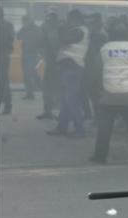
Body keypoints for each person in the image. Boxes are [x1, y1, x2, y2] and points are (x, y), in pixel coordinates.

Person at [89, 20, 128, 166]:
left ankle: (100, 156)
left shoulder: (104, 49)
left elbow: (96, 71)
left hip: (109, 95)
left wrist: (97, 90)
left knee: (105, 127)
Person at [47, 10, 89, 138]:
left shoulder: (79, 30)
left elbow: (65, 40)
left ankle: (80, 130)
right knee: (66, 101)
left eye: (69, 19)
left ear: (76, 19)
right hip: (69, 67)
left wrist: (60, 28)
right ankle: (62, 127)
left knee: (72, 100)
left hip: (73, 67)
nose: (67, 21)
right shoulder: (77, 29)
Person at [37, 8, 61, 120]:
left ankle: (56, 111)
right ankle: (47, 110)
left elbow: (54, 46)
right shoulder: (46, 31)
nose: (48, 21)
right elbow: (41, 43)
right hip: (50, 62)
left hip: (57, 63)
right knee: (47, 87)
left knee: (56, 88)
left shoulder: (58, 31)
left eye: (51, 19)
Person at [0, 6, 14, 132]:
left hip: (1, 59)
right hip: (2, 58)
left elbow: (10, 43)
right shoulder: (8, 25)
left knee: (0, 88)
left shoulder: (7, 26)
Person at [17, 15, 42, 100]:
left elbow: (40, 40)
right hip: (25, 53)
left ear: (30, 21)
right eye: (23, 21)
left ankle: (42, 88)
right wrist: (23, 28)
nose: (24, 23)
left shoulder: (36, 29)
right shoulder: (24, 29)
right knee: (26, 74)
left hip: (33, 54)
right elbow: (18, 36)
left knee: (32, 73)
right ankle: (30, 93)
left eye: (26, 21)